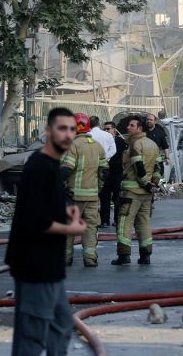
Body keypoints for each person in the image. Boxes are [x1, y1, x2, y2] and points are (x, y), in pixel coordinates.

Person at [5, 107, 87, 356]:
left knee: (61, 325)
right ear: (48, 131)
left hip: (50, 266)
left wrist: (66, 210)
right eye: (62, 128)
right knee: (33, 336)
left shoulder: (50, 164)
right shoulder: (40, 167)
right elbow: (35, 222)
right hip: (35, 266)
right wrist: (71, 228)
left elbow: (46, 203)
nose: (68, 134)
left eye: (72, 129)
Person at [113, 116, 162, 266]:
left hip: (131, 192)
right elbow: (158, 167)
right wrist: (154, 183)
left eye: (132, 125)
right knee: (144, 223)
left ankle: (124, 255)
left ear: (140, 128)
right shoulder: (153, 144)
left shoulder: (135, 144)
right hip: (147, 195)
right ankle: (145, 255)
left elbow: (138, 167)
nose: (128, 127)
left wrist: (146, 184)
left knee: (124, 223)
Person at [61, 113, 108, 267]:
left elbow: (66, 169)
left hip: (74, 196)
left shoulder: (73, 145)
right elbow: (104, 172)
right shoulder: (97, 146)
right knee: (90, 228)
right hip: (92, 196)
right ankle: (90, 258)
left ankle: (66, 258)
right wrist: (98, 189)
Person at [102, 121, 127, 227]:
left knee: (117, 197)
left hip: (117, 173)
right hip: (105, 173)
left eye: (108, 129)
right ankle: (104, 220)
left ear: (114, 130)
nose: (106, 131)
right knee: (104, 197)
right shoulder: (102, 141)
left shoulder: (121, 141)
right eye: (105, 129)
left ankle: (117, 220)